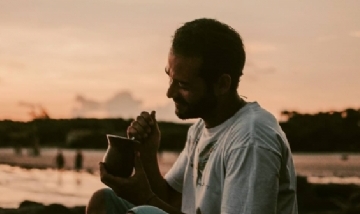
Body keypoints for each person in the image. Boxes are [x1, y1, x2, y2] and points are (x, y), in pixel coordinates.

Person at [86, 18, 298, 214]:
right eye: (170, 79)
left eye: (183, 85)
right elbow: (171, 199)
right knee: (103, 202)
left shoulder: (251, 139)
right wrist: (148, 154)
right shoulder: (200, 130)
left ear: (222, 84)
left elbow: (155, 202)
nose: (170, 93)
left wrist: (144, 198)